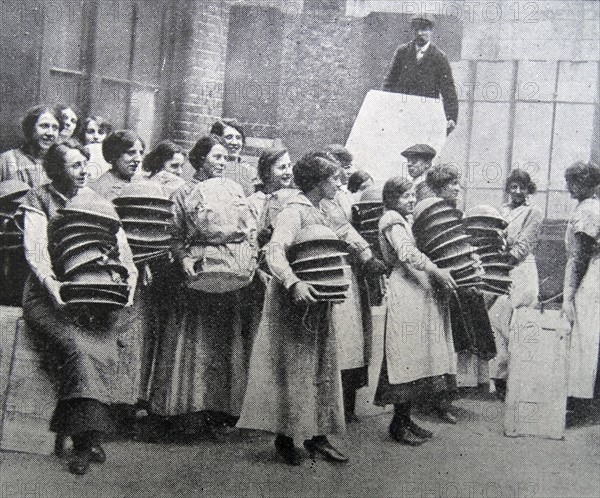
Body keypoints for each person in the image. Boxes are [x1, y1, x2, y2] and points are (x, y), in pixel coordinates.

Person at [237, 151, 377, 466]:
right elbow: (274, 250)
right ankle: (285, 439)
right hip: (293, 301)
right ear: (316, 182)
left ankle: (319, 438)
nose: (339, 181)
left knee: (323, 366)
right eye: (332, 177)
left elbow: (345, 232)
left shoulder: (326, 207)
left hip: (320, 298)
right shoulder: (293, 211)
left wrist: (367, 255)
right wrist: (293, 283)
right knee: (293, 367)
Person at [19, 140, 138, 475]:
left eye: (85, 162)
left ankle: (90, 434)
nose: (84, 169)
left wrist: (126, 286)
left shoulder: (99, 202)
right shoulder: (38, 198)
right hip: (48, 295)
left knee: (106, 350)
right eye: (74, 165)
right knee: (78, 348)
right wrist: (53, 286)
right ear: (57, 170)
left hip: (94, 294)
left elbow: (122, 252)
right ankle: (84, 444)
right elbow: (37, 252)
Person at [149, 134, 255, 438]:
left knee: (222, 342)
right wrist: (181, 257)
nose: (222, 163)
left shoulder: (235, 192)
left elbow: (246, 232)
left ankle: (217, 410)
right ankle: (183, 412)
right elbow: (174, 233)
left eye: (224, 158)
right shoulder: (184, 192)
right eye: (216, 157)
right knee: (190, 342)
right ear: (200, 160)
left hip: (229, 274)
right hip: (196, 273)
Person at [374, 176, 457, 446]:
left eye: (412, 195)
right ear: (390, 200)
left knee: (415, 355)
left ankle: (406, 419)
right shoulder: (392, 221)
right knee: (404, 357)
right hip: (405, 287)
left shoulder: (402, 220)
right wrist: (435, 270)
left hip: (416, 289)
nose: (410, 200)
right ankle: (397, 425)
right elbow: (406, 253)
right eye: (404, 196)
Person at [424, 164, 496, 413]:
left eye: (457, 182)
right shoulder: (430, 213)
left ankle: (447, 396)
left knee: (457, 338)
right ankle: (437, 399)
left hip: (459, 280)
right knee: (443, 340)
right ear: (439, 187)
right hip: (440, 280)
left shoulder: (454, 212)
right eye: (452, 184)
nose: (458, 187)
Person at [488, 170, 543, 399]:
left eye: (522, 187)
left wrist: (504, 261)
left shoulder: (533, 212)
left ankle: (521, 379)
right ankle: (499, 378)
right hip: (502, 269)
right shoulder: (503, 211)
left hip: (521, 270)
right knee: (497, 319)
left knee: (519, 323)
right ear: (508, 188)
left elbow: (524, 244)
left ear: (528, 189)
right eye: (513, 187)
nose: (517, 191)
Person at [562, 161, 600, 421]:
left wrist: (569, 294)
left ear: (586, 184)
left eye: (574, 182)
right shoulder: (589, 206)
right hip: (592, 273)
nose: (568, 187)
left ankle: (580, 402)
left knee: (585, 335)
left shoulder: (589, 210)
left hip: (591, 276)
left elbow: (579, 257)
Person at [382, 14, 458, 134]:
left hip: (426, 113)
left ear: (431, 31)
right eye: (416, 29)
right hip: (402, 111)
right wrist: (385, 106)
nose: (419, 33)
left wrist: (451, 117)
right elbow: (389, 82)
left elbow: (448, 90)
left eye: (424, 29)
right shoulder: (402, 51)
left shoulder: (439, 57)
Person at [0, 105, 61, 186]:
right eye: (44, 126)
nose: (50, 133)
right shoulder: (6, 160)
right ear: (30, 128)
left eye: (55, 128)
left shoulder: (59, 163)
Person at [90, 130, 145, 200]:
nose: (139, 159)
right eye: (131, 152)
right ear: (114, 155)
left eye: (141, 153)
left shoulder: (139, 181)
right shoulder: (103, 188)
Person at [210, 119, 257, 196]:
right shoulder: (212, 168)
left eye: (238, 138)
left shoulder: (251, 171)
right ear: (217, 140)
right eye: (229, 137)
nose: (235, 142)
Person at [78, 115, 112, 180]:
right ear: (83, 133)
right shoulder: (77, 153)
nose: (96, 136)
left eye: (101, 132)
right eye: (90, 132)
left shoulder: (109, 155)